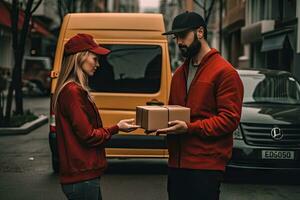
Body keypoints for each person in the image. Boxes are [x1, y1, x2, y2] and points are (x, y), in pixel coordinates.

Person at [158, 11, 244, 200]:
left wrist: (189, 128)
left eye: (183, 35)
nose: (179, 41)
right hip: (177, 165)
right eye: (176, 37)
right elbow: (175, 111)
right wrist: (161, 124)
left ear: (200, 32)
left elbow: (229, 120)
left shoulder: (225, 72)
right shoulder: (180, 73)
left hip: (205, 167)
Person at [52, 33, 139, 200]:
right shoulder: (72, 92)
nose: (98, 64)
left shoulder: (72, 90)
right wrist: (117, 128)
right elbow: (89, 136)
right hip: (82, 178)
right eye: (95, 58)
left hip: (82, 177)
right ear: (80, 57)